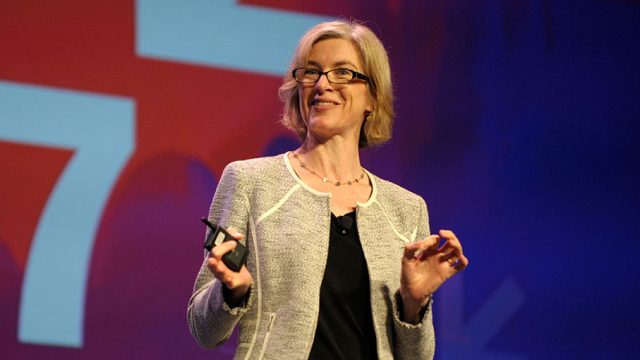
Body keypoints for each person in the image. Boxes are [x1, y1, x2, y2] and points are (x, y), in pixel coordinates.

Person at [187, 19, 468, 359]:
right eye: (311, 72)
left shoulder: (406, 209)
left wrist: (414, 303)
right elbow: (204, 331)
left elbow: (417, 356)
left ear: (373, 98)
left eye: (342, 73)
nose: (322, 84)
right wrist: (232, 293)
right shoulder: (250, 181)